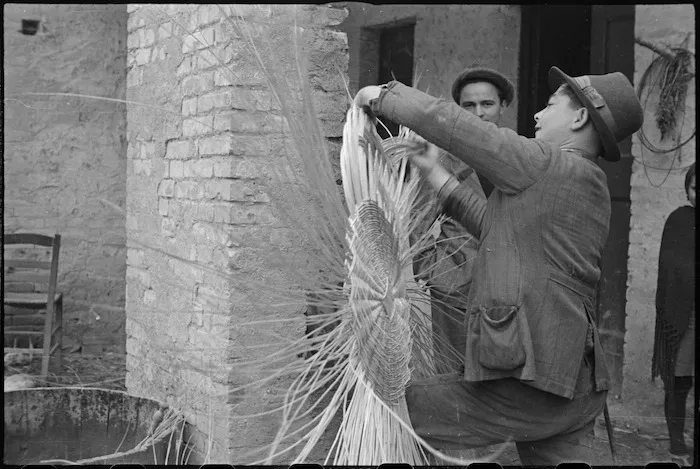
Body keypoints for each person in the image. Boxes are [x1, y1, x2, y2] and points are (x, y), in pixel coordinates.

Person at [354, 66, 643, 464]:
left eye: (550, 105)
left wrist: (381, 96)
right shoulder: (582, 180)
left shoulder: (547, 163)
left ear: (579, 118)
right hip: (571, 387)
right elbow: (493, 226)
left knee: (391, 405)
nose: (538, 116)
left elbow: (461, 128)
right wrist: (434, 169)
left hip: (531, 384)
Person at [418, 67, 515, 374]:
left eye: (487, 104)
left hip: (509, 288)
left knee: (500, 375)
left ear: (503, 107)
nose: (479, 113)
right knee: (454, 374)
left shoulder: (519, 155)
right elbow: (414, 222)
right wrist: (435, 269)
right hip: (456, 286)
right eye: (468, 106)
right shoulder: (442, 160)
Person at [652, 162, 696, 467]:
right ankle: (678, 445)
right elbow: (671, 269)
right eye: (696, 187)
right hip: (685, 319)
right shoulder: (678, 221)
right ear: (688, 190)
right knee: (679, 382)